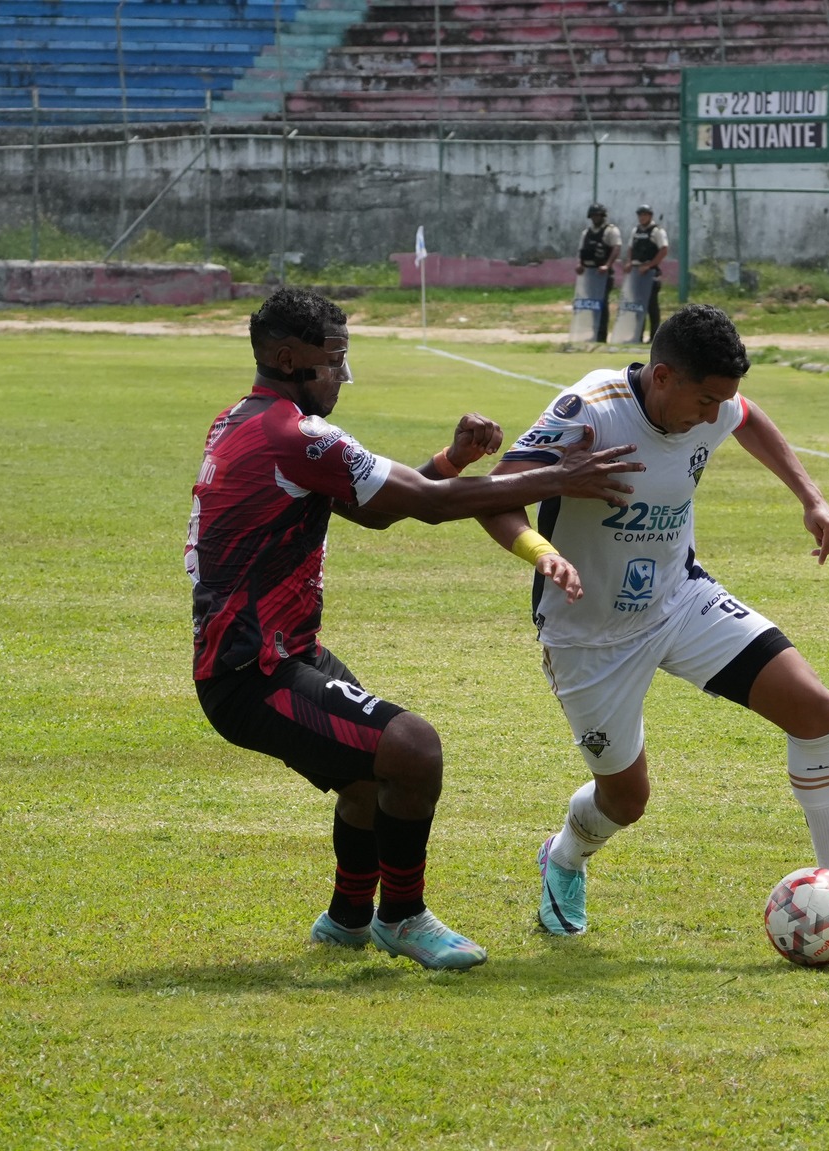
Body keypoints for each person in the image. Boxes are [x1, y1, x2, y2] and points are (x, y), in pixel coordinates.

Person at [186, 288, 642, 970]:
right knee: (413, 747)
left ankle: (346, 918)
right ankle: (401, 915)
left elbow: (378, 509)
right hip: (255, 672)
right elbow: (424, 508)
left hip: (272, 655)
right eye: (334, 360)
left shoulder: (243, 422)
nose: (343, 374)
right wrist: (554, 476)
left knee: (374, 773)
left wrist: (452, 460)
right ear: (289, 359)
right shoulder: (295, 435)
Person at [473, 304, 829, 938]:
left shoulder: (714, 406)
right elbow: (496, 492)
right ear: (662, 376)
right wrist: (543, 552)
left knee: (814, 708)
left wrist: (811, 496)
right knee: (626, 802)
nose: (716, 414)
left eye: (726, 398)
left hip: (678, 599)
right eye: (706, 399)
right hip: (588, 633)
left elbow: (748, 419)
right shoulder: (591, 410)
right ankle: (565, 856)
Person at [577, 204, 623, 342]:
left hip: (603, 274)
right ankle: (594, 332)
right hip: (589, 273)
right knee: (591, 304)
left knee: (602, 304)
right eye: (593, 216)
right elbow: (581, 251)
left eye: (598, 215)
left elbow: (616, 248)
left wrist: (607, 265)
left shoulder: (610, 231)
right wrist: (580, 265)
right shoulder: (587, 232)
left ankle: (601, 335)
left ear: (603, 216)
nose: (595, 218)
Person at [626, 204, 670, 340]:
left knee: (652, 307)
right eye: (640, 215)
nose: (642, 217)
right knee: (638, 307)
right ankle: (638, 335)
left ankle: (654, 337)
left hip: (650, 273)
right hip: (637, 272)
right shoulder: (636, 231)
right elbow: (630, 248)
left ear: (650, 216)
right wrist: (629, 262)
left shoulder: (657, 231)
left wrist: (650, 265)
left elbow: (664, 250)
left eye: (644, 214)